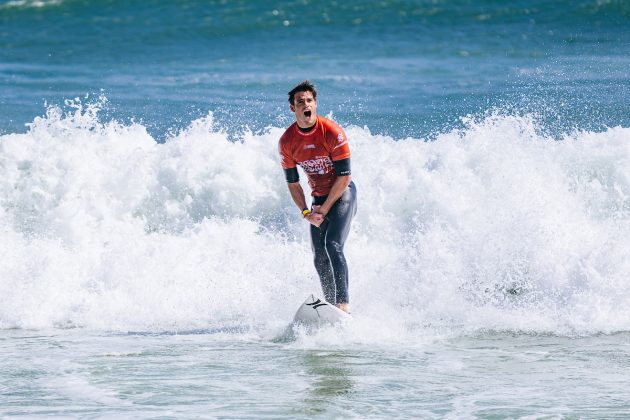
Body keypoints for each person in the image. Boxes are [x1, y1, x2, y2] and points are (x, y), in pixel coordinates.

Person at [278, 80, 358, 313]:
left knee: (333, 245)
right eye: (300, 101)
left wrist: (324, 208)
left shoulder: (332, 132)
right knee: (319, 255)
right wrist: (306, 211)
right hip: (318, 201)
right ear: (292, 108)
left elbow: (344, 177)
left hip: (343, 193)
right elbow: (293, 183)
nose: (306, 104)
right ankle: (330, 308)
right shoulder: (287, 142)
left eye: (309, 100)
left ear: (315, 103)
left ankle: (342, 305)